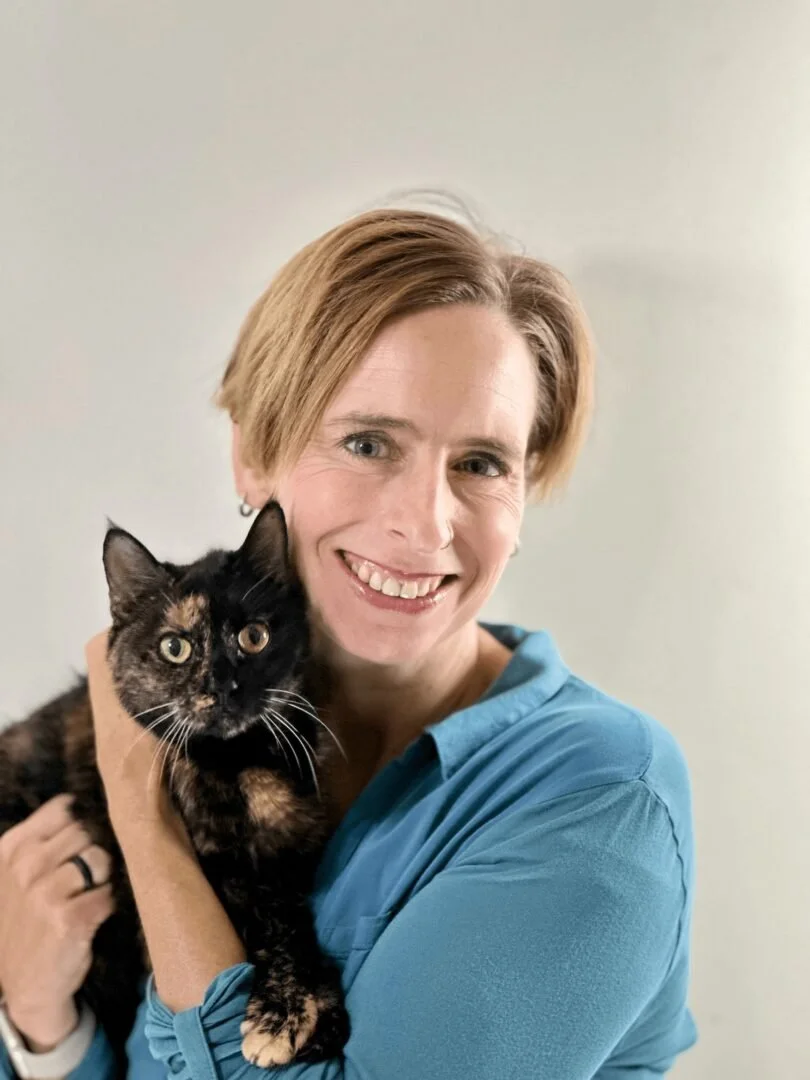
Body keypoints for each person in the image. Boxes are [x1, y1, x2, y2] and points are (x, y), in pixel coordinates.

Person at [0, 201, 699, 1078]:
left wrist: (142, 814)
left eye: (481, 463)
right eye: (368, 443)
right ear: (255, 456)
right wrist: (43, 1026)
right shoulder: (232, 735)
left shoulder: (600, 799)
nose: (425, 523)